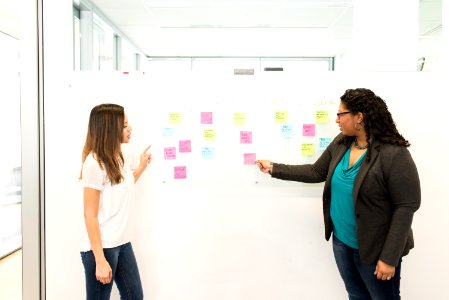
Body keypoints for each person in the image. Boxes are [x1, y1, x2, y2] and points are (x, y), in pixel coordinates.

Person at [256, 88, 420, 300]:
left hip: (375, 248)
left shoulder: (393, 153)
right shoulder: (342, 142)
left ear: (359, 117)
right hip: (342, 242)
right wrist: (274, 168)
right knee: (356, 295)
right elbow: (316, 171)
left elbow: (406, 206)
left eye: (341, 114)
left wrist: (389, 258)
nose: (336, 120)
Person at [79, 103, 152, 300]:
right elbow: (90, 215)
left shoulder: (119, 155)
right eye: (124, 125)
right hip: (102, 247)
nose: (130, 129)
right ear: (110, 129)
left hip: (122, 242)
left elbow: (122, 185)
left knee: (134, 297)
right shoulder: (94, 163)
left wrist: (142, 167)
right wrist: (100, 260)